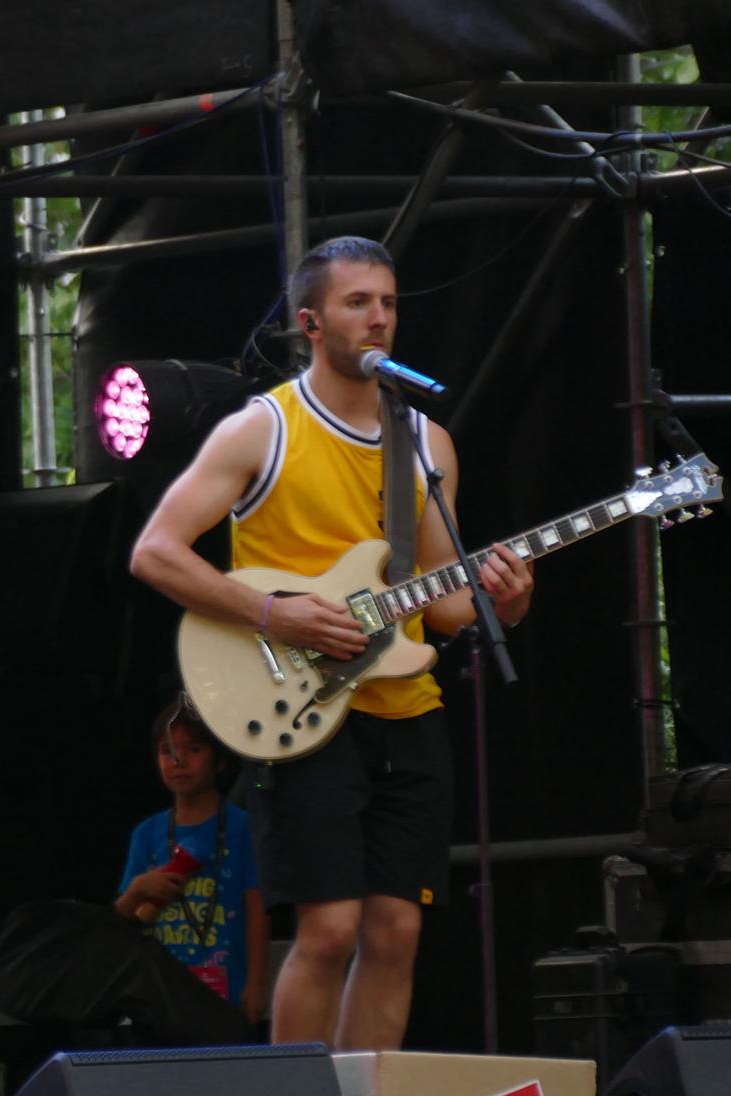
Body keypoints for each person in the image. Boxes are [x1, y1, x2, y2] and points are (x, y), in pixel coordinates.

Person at [128, 236, 534, 1052]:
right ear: (311, 322)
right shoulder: (261, 429)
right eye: (358, 303)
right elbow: (155, 551)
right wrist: (275, 615)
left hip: (406, 706)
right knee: (330, 930)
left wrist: (509, 603)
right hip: (302, 705)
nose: (379, 317)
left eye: (388, 302)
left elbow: (449, 604)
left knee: (396, 933)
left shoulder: (426, 441)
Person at [114, 696, 268, 1026]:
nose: (178, 760)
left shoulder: (242, 828)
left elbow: (256, 908)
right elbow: (120, 918)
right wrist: (140, 888)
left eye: (194, 750)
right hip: (161, 996)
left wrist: (257, 983)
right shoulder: (147, 833)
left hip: (227, 988)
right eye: (167, 751)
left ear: (220, 760)